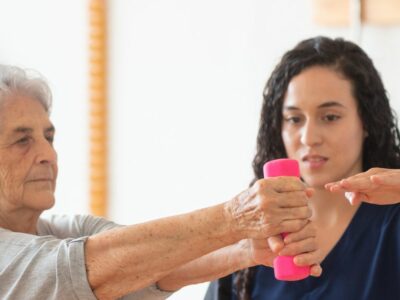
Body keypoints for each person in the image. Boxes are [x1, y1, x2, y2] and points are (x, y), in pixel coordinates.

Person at [0, 64, 321, 300]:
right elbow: (88, 269)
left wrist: (245, 250)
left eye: (49, 137)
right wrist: (236, 217)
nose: (48, 155)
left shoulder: (67, 231)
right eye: (22, 141)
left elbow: (148, 265)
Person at [205, 36, 400, 300]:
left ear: (366, 121)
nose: (309, 138)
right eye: (294, 119)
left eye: (330, 117)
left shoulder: (392, 224)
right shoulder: (251, 236)